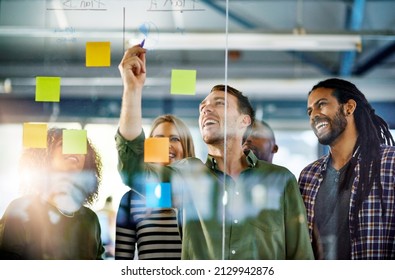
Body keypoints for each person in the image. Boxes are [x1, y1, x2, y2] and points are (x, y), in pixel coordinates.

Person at [115, 44, 314, 259]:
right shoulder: (187, 175)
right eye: (203, 107)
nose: (206, 109)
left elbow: (300, 257)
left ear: (244, 121)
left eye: (219, 103)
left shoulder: (280, 179)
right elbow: (133, 171)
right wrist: (132, 90)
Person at [299, 78, 395, 260]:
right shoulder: (308, 176)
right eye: (310, 111)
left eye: (321, 105)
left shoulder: (390, 163)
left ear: (349, 108)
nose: (314, 115)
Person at [0, 127, 105, 259]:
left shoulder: (91, 219)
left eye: (79, 147)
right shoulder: (20, 210)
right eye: (63, 144)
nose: (74, 151)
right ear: (46, 156)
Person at [115, 114, 195, 260]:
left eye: (175, 139)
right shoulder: (130, 199)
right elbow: (122, 261)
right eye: (159, 139)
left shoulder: (199, 193)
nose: (167, 145)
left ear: (186, 146)